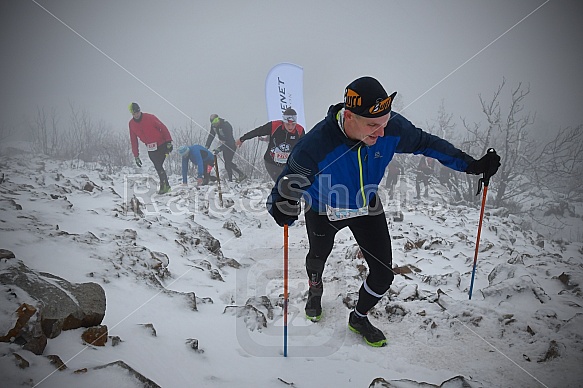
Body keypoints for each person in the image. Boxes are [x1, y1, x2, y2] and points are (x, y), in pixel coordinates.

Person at [266, 76, 500, 347]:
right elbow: (289, 181)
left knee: (384, 275)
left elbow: (427, 143)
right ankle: (315, 288)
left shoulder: (389, 128)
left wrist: (471, 165)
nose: (380, 134)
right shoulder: (316, 144)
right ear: (350, 116)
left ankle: (359, 317)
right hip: (323, 208)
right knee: (318, 256)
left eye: (385, 124)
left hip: (366, 206)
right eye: (373, 126)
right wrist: (282, 206)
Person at [235, 107, 305, 182]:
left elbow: (305, 146)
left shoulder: (300, 130)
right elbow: (257, 131)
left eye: (293, 124)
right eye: (288, 124)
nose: (290, 127)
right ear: (283, 122)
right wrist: (242, 139)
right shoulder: (274, 126)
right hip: (271, 163)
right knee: (281, 184)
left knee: (290, 185)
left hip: (287, 164)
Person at [128, 102, 173, 194]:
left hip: (162, 144)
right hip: (150, 147)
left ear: (140, 111)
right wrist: (136, 155)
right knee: (158, 166)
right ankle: (165, 186)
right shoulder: (131, 124)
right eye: (134, 113)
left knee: (158, 166)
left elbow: (163, 127)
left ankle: (165, 186)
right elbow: (133, 140)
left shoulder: (150, 117)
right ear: (132, 114)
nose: (136, 114)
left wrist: (169, 141)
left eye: (138, 112)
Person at [205, 114, 246, 183]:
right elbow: (211, 136)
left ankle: (233, 178)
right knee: (227, 163)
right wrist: (207, 146)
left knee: (227, 163)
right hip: (224, 146)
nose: (215, 123)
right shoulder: (214, 126)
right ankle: (240, 174)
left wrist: (219, 149)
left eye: (216, 121)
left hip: (231, 145)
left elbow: (229, 140)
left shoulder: (226, 125)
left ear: (218, 119)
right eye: (213, 122)